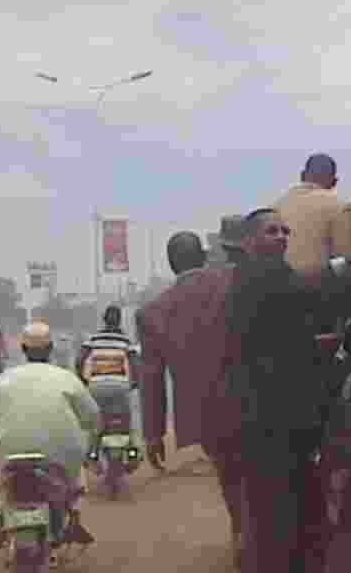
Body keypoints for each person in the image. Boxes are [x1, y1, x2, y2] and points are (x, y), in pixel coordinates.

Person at [226, 207, 351, 573]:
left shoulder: (265, 276)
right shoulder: (259, 276)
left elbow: (283, 329)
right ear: (249, 241)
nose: (283, 237)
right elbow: (309, 294)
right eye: (272, 232)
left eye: (285, 230)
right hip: (272, 421)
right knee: (281, 517)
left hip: (276, 418)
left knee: (284, 515)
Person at [135, 230, 244, 568]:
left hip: (205, 413)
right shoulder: (236, 284)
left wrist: (153, 434)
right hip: (255, 398)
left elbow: (150, 379)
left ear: (171, 264)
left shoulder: (153, 311)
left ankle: (242, 533)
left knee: (230, 474)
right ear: (202, 256)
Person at [0, 321, 100, 554]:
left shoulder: (3, 379)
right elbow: (92, 417)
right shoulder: (66, 378)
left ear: (23, 349)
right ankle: (73, 514)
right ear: (51, 348)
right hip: (59, 457)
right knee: (76, 466)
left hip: (10, 455)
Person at [274, 153, 351, 279]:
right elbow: (346, 259)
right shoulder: (339, 206)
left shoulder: (276, 206)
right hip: (315, 290)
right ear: (334, 182)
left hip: (276, 284)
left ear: (302, 175)